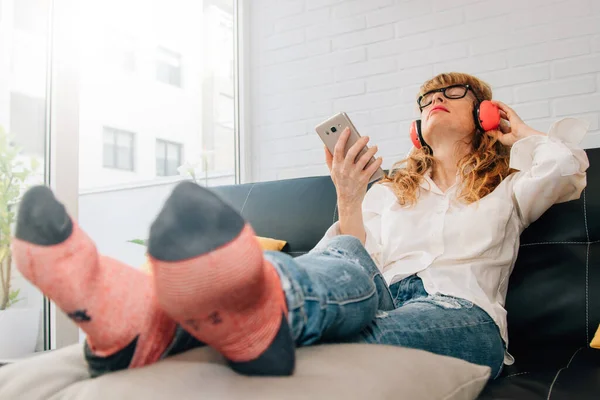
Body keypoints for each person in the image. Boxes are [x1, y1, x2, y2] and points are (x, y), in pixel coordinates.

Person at [11, 72, 588, 381]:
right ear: (415, 124)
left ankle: (171, 324)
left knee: (339, 344)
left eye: (451, 92)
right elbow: (350, 261)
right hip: (374, 291)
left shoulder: (507, 183)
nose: (434, 99)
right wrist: (349, 195)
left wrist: (520, 130)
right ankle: (135, 313)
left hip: (460, 314)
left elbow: (566, 169)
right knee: (338, 265)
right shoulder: (389, 191)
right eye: (425, 96)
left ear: (485, 113)